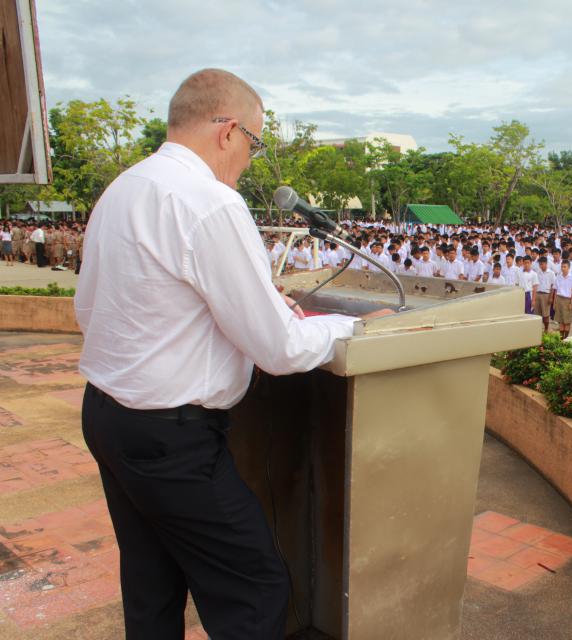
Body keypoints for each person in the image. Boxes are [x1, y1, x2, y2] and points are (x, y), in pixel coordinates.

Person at [75, 69, 391, 640]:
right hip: (171, 438)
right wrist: (353, 326)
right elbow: (279, 348)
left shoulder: (124, 187)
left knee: (151, 584)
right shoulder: (211, 202)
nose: (249, 158)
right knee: (255, 589)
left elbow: (100, 308)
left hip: (107, 415)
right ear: (229, 131)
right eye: (255, 142)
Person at [553, 260, 572, 338]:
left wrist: (571, 303)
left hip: (567, 300)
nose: (563, 268)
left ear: (569, 267)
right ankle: (561, 338)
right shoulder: (558, 276)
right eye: (562, 267)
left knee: (567, 321)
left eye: (564, 267)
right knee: (560, 320)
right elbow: (556, 290)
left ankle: (566, 338)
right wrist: (554, 302)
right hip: (559, 299)